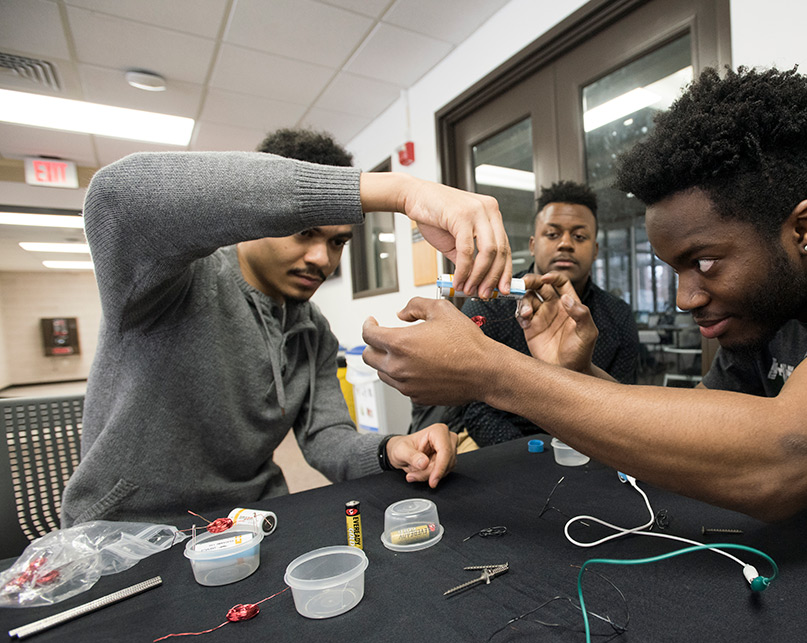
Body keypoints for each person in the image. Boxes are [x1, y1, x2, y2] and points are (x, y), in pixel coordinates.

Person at [360, 67, 807, 542]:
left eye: (703, 263)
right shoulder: (759, 315)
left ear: (803, 228)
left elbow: (782, 455)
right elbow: (715, 450)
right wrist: (579, 374)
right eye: (672, 268)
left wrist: (493, 371)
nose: (686, 297)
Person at [60, 128, 513, 527]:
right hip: (128, 534)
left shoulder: (312, 329)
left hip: (248, 525)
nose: (323, 259)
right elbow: (116, 197)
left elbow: (325, 439)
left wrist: (392, 448)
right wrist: (402, 190)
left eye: (337, 242)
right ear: (258, 218)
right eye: (303, 232)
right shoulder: (171, 285)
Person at [454, 180, 638, 447]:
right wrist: (532, 455)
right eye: (552, 234)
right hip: (506, 450)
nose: (565, 244)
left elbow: (626, 402)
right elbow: (471, 404)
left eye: (579, 236)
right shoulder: (490, 304)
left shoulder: (617, 315)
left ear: (595, 249)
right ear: (532, 244)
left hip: (592, 445)